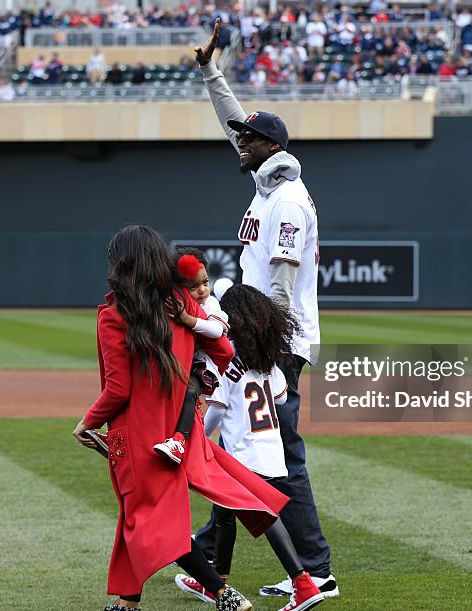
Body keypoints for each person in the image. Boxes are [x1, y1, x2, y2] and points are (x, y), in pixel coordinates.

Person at [73, 224, 290, 611]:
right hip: (178, 430)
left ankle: (224, 594)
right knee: (139, 518)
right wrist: (192, 382)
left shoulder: (114, 315)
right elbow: (223, 350)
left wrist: (87, 421)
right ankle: (128, 602)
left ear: (121, 266)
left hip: (137, 436)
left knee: (150, 523)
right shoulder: (181, 304)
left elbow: (118, 390)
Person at [195, 19, 338, 600]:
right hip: (263, 333)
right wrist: (211, 73)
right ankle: (212, 555)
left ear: (272, 146)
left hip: (274, 338)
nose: (239, 142)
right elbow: (234, 122)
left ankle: (315, 569)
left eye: (248, 139)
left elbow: (281, 283)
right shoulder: (266, 183)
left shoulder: (286, 202)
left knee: (282, 455)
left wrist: (264, 352)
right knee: (240, 446)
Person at [176, 282, 325, 611]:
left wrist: (199, 441)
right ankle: (215, 581)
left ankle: (303, 584)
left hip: (243, 455)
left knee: (265, 517)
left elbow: (216, 407)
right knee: (224, 516)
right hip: (270, 450)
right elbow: (282, 397)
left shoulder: (225, 361)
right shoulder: (267, 362)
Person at [152, 249, 231, 464]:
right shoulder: (176, 301)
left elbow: (216, 331)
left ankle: (179, 441)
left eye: (205, 282)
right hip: (185, 361)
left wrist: (187, 318)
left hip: (205, 365)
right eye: (193, 287)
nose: (202, 290)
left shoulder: (211, 304)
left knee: (189, 392)